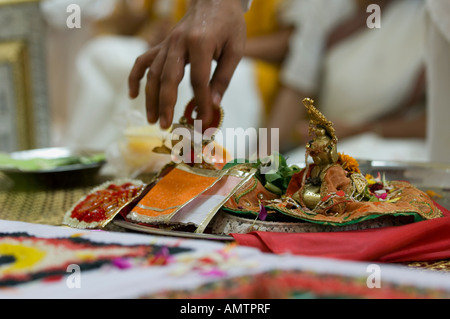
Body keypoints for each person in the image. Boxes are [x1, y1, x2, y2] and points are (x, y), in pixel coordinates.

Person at [128, 0, 252, 130]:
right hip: (192, 40)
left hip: (248, 61)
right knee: (112, 55)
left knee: (186, 79)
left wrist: (220, 47)